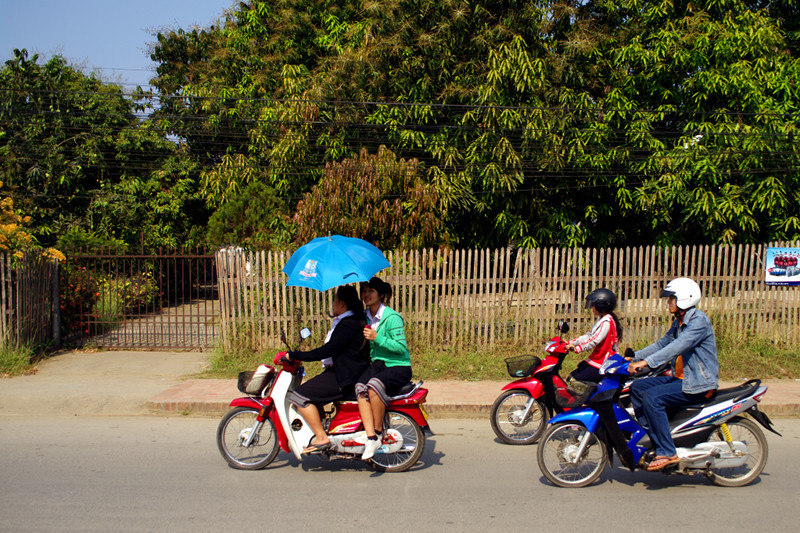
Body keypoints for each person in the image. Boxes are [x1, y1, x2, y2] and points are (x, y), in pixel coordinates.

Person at [627, 277, 719, 471]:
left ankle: (667, 451)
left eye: (671, 298)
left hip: (698, 382)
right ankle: (652, 435)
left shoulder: (698, 322)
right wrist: (632, 357)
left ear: (685, 298)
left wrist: (646, 363)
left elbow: (677, 346)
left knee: (652, 398)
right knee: (637, 387)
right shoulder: (680, 322)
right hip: (681, 378)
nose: (668, 303)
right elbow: (662, 344)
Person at [280, 285, 370, 454]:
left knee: (299, 396)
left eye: (334, 300)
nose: (333, 304)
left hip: (344, 376)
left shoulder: (348, 324)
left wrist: (295, 355)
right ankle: (323, 427)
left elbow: (328, 350)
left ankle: (321, 436)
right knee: (313, 391)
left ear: (342, 303)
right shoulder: (352, 320)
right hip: (344, 371)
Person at [356, 277, 412, 460]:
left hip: (398, 365)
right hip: (379, 364)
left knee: (374, 386)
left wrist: (377, 337)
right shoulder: (365, 316)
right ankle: (369, 435)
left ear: (380, 294)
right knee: (359, 387)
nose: (366, 295)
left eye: (370, 291)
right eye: (364, 291)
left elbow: (400, 348)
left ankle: (378, 433)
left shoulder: (392, 317)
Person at [565, 288, 623, 383]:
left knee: (575, 381)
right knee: (571, 376)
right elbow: (589, 336)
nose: (591, 308)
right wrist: (571, 342)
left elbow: (594, 340)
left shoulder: (607, 322)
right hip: (597, 359)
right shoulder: (603, 319)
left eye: (594, 305)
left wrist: (578, 348)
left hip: (604, 363)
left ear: (601, 306)